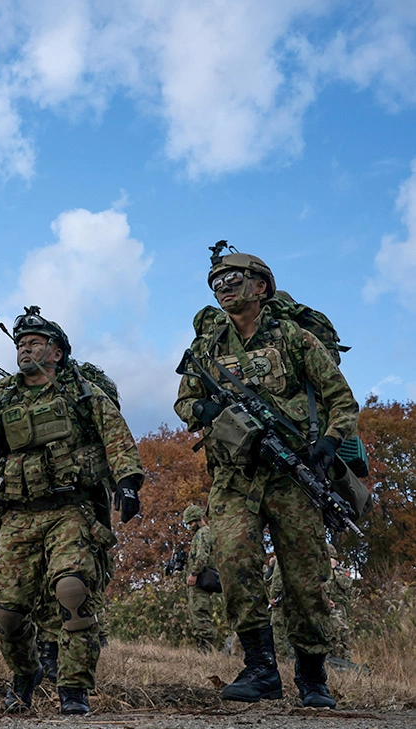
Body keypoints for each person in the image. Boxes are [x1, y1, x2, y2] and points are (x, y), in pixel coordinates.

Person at [175, 248, 358, 708]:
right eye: (215, 281)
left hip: (292, 478)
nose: (223, 286)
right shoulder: (207, 347)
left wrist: (330, 442)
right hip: (235, 479)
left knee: (305, 579)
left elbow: (342, 400)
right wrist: (206, 410)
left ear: (260, 285)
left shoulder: (294, 339)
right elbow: (183, 402)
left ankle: (313, 677)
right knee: (235, 565)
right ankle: (260, 670)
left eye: (233, 277)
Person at [0, 309, 144, 715]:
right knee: (8, 613)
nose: (24, 349)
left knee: (72, 592)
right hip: (16, 515)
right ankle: (25, 672)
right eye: (19, 345)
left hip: (70, 508)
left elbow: (114, 432)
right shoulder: (2, 396)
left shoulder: (79, 391)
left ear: (57, 352)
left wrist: (127, 481)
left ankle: (74, 688)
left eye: (33, 343)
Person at [183, 504, 221, 652]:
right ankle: (202, 647)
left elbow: (202, 555)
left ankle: (206, 649)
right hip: (199, 579)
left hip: (201, 579)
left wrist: (194, 573)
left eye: (191, 523)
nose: (190, 526)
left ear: (198, 519)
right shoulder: (200, 534)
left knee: (200, 611)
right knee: (196, 612)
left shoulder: (203, 532)